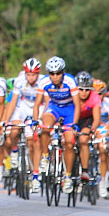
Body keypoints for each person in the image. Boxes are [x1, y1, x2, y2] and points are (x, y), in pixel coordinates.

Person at [34, 56, 79, 194]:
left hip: (69, 110)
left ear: (63, 72)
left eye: (58, 73)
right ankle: (45, 157)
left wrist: (75, 124)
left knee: (69, 142)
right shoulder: (44, 82)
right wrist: (36, 120)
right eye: (52, 73)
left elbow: (77, 105)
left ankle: (68, 176)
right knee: (45, 127)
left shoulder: (70, 81)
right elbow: (37, 104)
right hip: (54, 107)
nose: (55, 76)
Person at [2, 57, 44, 193]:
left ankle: (35, 172)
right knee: (13, 131)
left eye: (33, 75)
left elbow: (48, 102)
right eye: (28, 74)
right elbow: (13, 103)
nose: (30, 78)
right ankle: (14, 151)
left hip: (39, 108)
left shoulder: (43, 82)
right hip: (23, 107)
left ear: (38, 74)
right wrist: (6, 120)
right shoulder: (20, 81)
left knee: (33, 141)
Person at [74, 71, 101, 185]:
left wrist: (91, 131)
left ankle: (84, 171)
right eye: (81, 89)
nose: (84, 92)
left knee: (83, 140)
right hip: (73, 118)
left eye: (87, 89)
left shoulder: (95, 97)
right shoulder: (72, 94)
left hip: (87, 120)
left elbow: (96, 119)